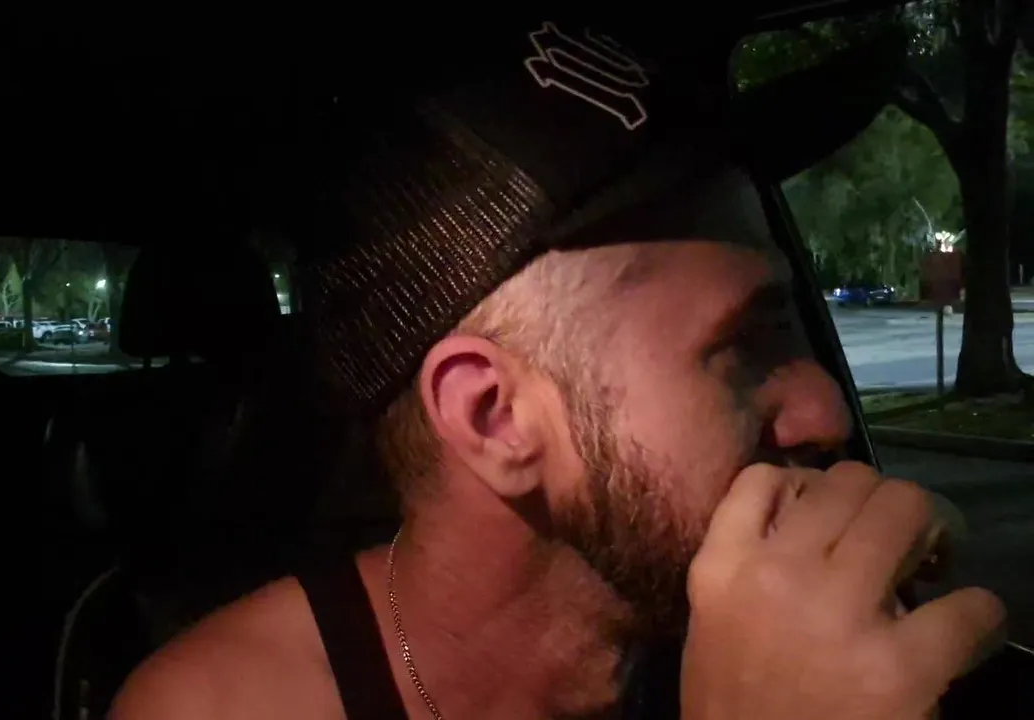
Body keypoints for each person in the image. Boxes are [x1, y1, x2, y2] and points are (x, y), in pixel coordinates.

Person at [111, 20, 1005, 720]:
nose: (827, 410)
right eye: (742, 345)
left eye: (791, 326)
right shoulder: (222, 706)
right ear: (495, 416)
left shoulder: (783, 629)